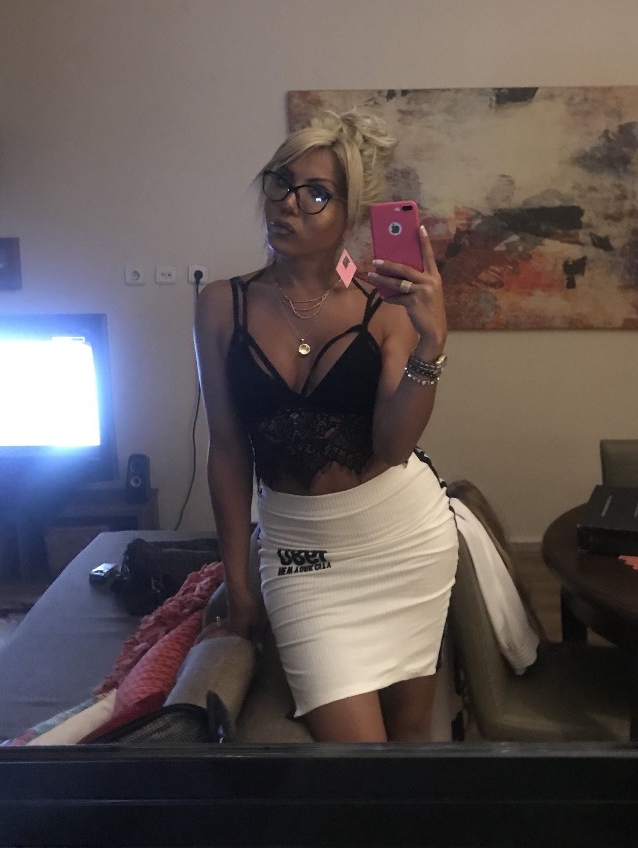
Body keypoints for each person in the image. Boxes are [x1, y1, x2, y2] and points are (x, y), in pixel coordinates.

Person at [194, 109, 458, 742]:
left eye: (316, 193)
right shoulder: (221, 305)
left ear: (350, 215)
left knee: (412, 734)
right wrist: (238, 583)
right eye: (280, 183)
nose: (288, 204)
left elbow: (394, 445)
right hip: (300, 555)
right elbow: (227, 449)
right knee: (357, 758)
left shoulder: (386, 309)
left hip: (404, 543)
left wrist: (431, 343)